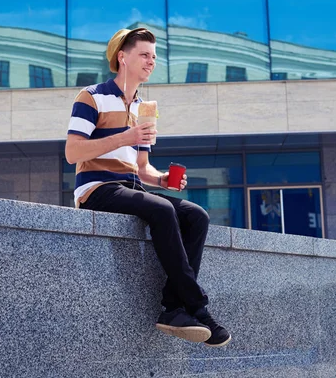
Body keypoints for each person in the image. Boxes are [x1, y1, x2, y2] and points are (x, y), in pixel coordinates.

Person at [65, 27, 231, 347]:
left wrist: (164, 180)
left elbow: (142, 169)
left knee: (197, 215)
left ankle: (173, 308)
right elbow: (73, 152)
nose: (151, 61)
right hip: (97, 187)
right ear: (122, 57)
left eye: (154, 56)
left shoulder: (144, 108)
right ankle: (197, 307)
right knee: (161, 207)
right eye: (144, 54)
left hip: (131, 187)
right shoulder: (91, 96)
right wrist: (126, 136)